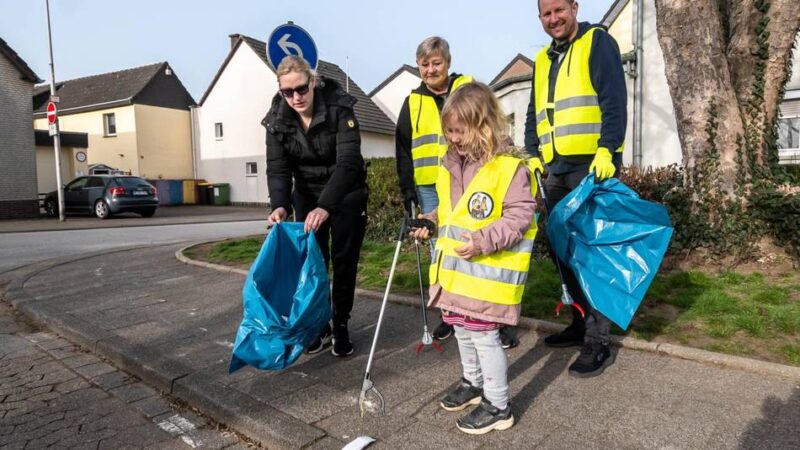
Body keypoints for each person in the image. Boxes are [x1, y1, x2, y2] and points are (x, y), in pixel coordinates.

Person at [411, 82, 536, 435]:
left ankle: (498, 404)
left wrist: (482, 241)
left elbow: (519, 217)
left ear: (483, 125)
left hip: (486, 273)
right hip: (456, 274)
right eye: (448, 131)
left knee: (484, 337)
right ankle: (472, 381)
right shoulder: (450, 164)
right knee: (463, 330)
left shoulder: (508, 167)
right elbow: (451, 214)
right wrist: (429, 221)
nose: (453, 138)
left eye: (459, 130)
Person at [525, 0, 627, 377]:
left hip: (591, 167)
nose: (554, 19)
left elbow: (614, 101)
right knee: (563, 252)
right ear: (540, 18)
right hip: (554, 169)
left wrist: (608, 149)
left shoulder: (597, 42)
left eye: (559, 10)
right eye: (546, 14)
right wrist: (533, 152)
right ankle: (579, 321)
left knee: (591, 257)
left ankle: (598, 341)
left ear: (574, 7)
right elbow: (535, 113)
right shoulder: (542, 59)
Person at [396, 37, 519, 347]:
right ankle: (450, 313)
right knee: (444, 250)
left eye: (436, 62)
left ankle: (494, 317)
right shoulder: (412, 101)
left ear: (447, 63)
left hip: (475, 176)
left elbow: (491, 121)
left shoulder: (468, 87)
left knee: (482, 244)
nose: (430, 69)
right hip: (432, 184)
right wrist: (407, 188)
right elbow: (402, 149)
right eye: (424, 64)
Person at [264, 56, 368, 358]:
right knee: (314, 264)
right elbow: (277, 168)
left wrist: (326, 206)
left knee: (344, 261)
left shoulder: (339, 107)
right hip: (307, 194)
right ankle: (319, 323)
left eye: (301, 89)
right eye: (288, 92)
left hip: (346, 192)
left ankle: (341, 324)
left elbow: (349, 163)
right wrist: (280, 205)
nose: (296, 97)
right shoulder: (276, 119)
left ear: (312, 82)